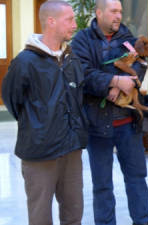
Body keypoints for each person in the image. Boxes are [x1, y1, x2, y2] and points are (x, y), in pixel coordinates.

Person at [2, 1, 87, 225]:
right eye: (69, 19)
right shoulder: (24, 62)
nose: (74, 24)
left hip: (71, 149)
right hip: (40, 153)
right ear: (51, 21)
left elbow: (78, 96)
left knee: (74, 214)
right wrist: (39, 126)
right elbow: (13, 101)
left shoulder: (72, 58)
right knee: (40, 217)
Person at [71, 0, 148, 225]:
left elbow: (140, 65)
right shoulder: (82, 40)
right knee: (102, 184)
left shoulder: (128, 38)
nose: (118, 16)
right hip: (97, 124)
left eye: (121, 12)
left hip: (128, 123)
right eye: (114, 11)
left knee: (137, 178)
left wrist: (118, 86)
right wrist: (113, 81)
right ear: (99, 13)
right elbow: (82, 74)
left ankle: (143, 221)